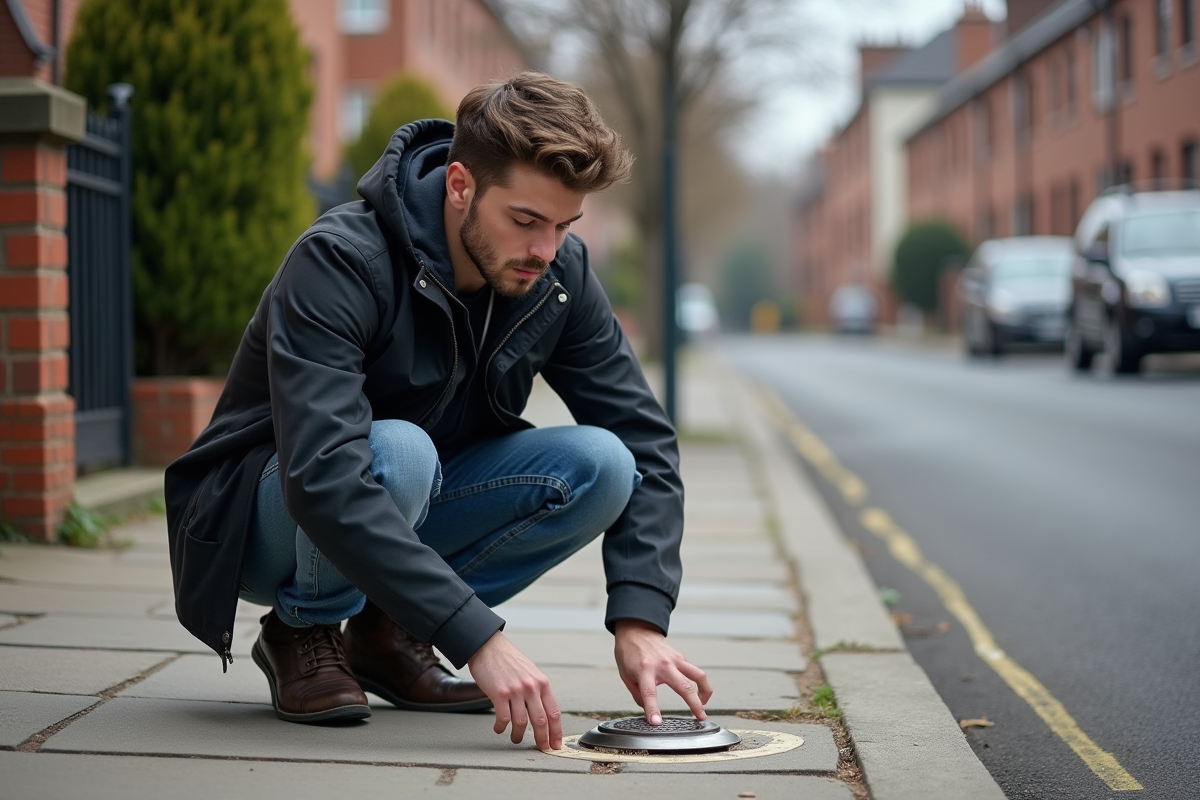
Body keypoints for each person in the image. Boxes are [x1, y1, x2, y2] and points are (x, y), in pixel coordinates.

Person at [165, 71, 710, 751]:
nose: (547, 250)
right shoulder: (340, 261)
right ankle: (301, 630)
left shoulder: (557, 275)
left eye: (564, 225)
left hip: (410, 493)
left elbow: (647, 443)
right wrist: (477, 633)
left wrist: (641, 618)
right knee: (398, 452)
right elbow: (326, 476)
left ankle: (389, 633)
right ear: (459, 186)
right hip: (259, 520)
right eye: (526, 221)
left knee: (605, 463)